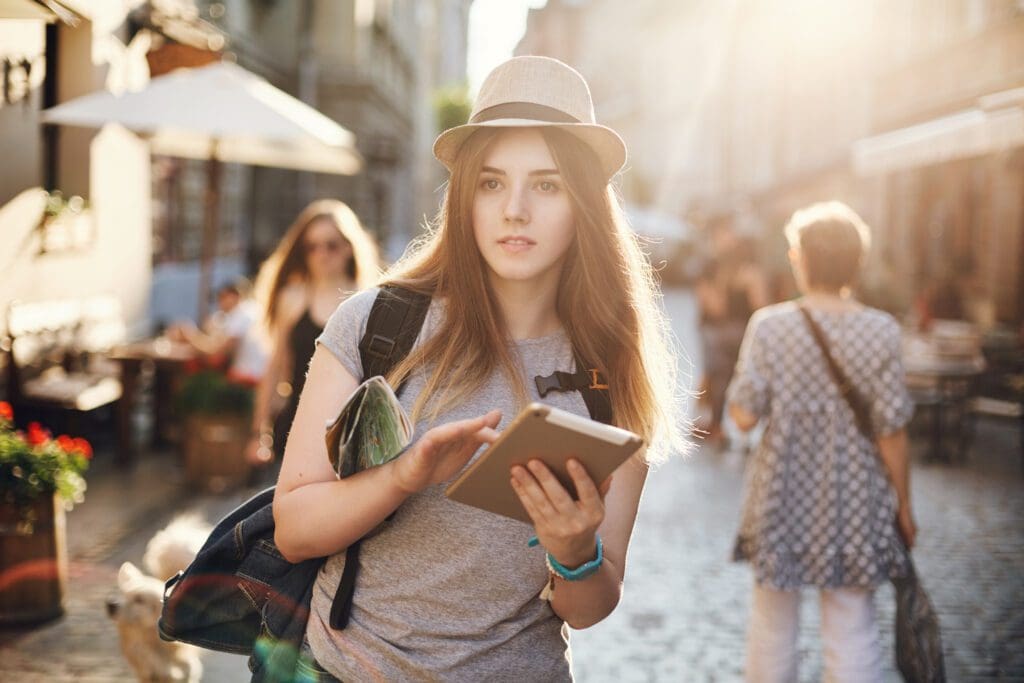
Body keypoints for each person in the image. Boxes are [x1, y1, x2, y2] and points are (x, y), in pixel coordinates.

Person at [271, 56, 687, 680]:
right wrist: (402, 476)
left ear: (584, 204)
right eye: (491, 182)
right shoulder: (375, 324)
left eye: (546, 184)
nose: (514, 209)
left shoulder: (610, 365)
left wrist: (575, 553)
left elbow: (591, 605)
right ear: (465, 196)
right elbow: (293, 530)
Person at [727, 201, 916, 682]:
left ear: (800, 259)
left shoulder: (770, 326)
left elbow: (743, 418)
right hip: (856, 496)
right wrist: (905, 507)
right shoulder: (883, 330)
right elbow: (891, 430)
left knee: (772, 626)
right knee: (853, 628)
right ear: (858, 262)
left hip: (782, 492)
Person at [246, 199, 380, 468]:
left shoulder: (370, 301)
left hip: (350, 434)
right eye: (312, 247)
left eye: (331, 245)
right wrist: (258, 432)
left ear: (349, 247)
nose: (322, 254)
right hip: (297, 425)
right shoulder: (293, 298)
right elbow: (274, 368)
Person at [695, 223, 768, 445]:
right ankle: (739, 427)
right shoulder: (750, 269)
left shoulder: (711, 268)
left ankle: (716, 425)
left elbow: (713, 306)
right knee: (739, 377)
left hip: (717, 332)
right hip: (742, 331)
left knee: (716, 378)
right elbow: (760, 303)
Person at [166, 278, 262, 375]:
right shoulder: (249, 310)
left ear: (235, 296)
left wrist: (190, 336)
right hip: (255, 373)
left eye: (222, 297)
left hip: (249, 375)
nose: (219, 303)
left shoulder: (241, 314)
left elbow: (218, 352)